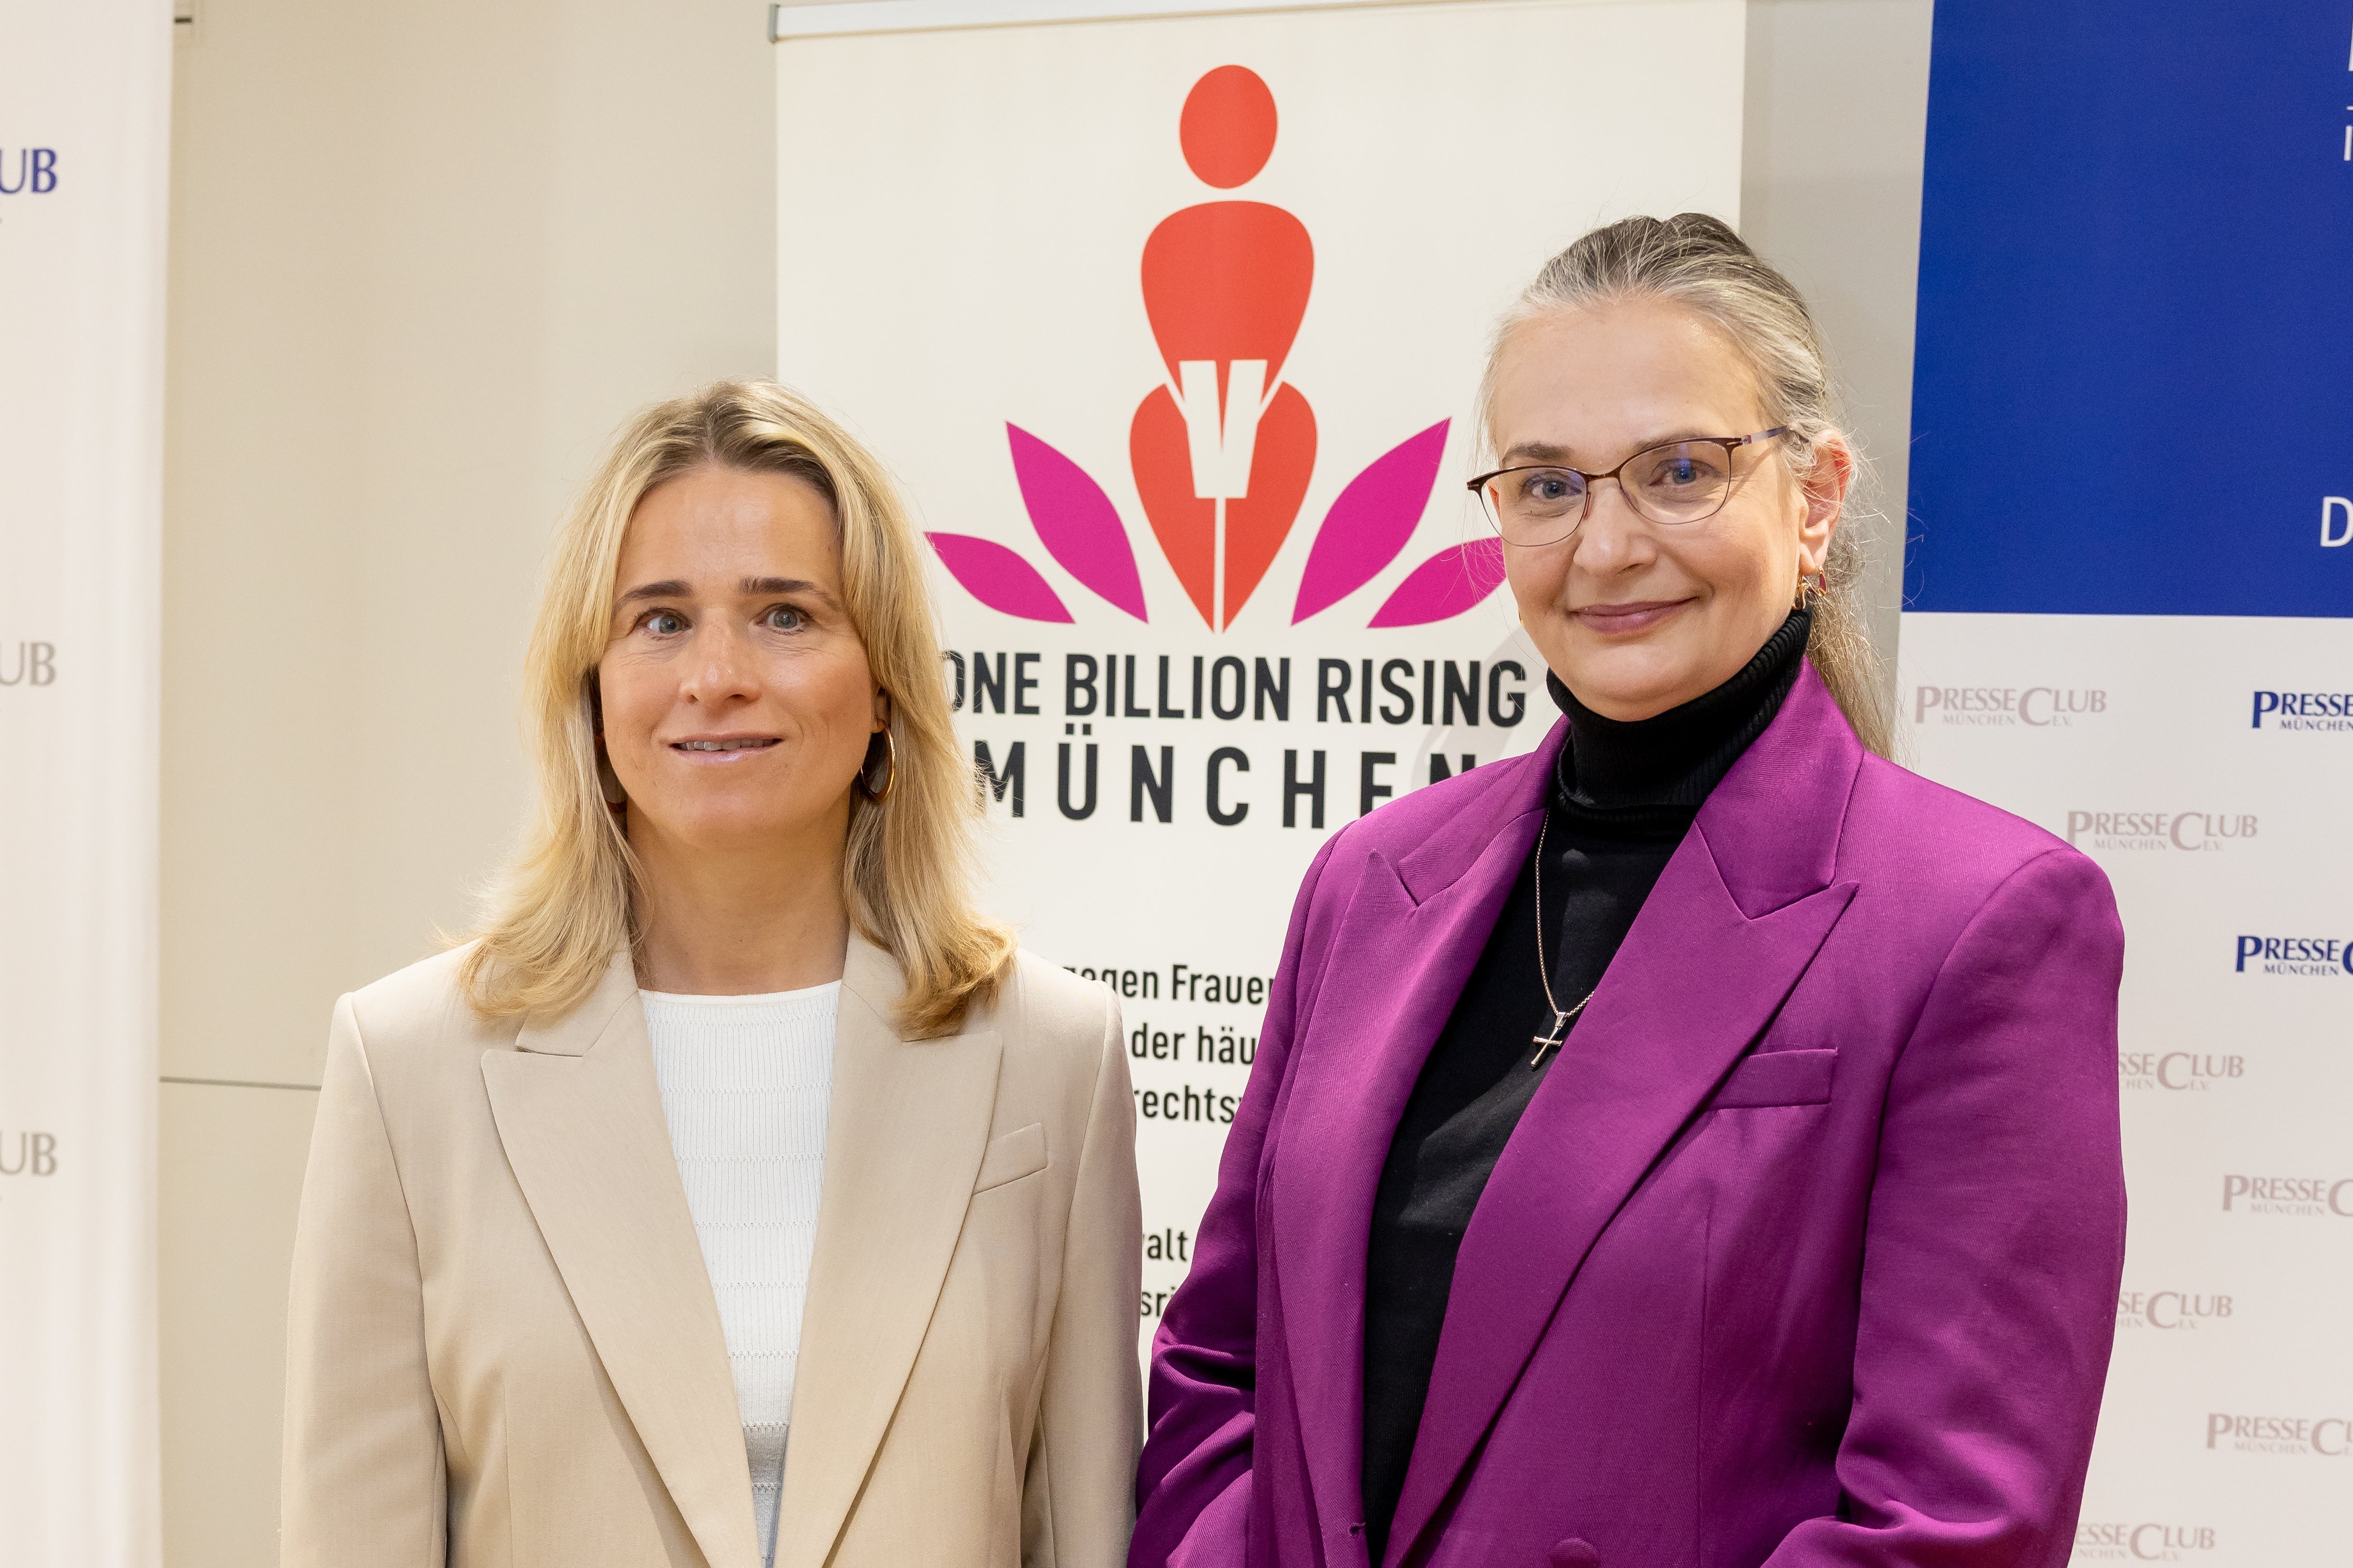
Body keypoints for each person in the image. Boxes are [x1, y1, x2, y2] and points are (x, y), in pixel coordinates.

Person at [1131, 215, 2126, 1568]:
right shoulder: (1368, 886)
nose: (1602, 547)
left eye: (1677, 472)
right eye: (1546, 486)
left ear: (1816, 497)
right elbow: (1221, 1368)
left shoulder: (1977, 925)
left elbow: (1949, 1530)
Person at [282, 381, 1141, 1568]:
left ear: (885, 684)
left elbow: (1086, 1535)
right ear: (591, 687)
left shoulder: (1056, 1056)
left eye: (786, 616)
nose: (717, 675)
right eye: (661, 620)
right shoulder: (409, 1067)